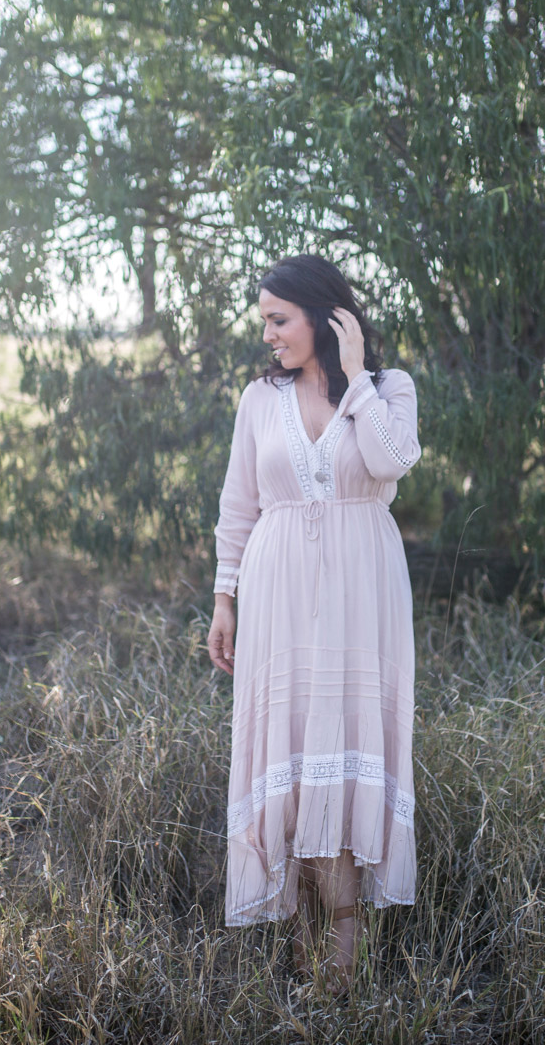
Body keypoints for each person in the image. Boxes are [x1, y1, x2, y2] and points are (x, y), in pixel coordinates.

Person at [207, 254, 421, 988]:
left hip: (364, 594)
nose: (268, 335)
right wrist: (224, 598)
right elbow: (238, 503)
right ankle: (304, 938)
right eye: (264, 322)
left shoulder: (389, 389)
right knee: (291, 756)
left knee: (348, 750)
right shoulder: (259, 398)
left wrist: (355, 375)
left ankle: (344, 946)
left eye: (279, 320)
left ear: (326, 316)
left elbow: (390, 463)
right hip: (278, 594)